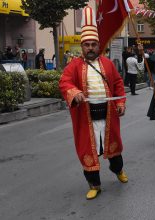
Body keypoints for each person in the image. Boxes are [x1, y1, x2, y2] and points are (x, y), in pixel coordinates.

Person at [59, 6, 128, 200]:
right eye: (87, 44)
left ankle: (118, 171)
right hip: (86, 117)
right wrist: (75, 92)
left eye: (93, 44)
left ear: (99, 45)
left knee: (114, 149)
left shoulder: (108, 64)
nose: (90, 48)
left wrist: (121, 102)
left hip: (108, 114)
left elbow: (118, 84)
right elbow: (64, 82)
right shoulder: (73, 65)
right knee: (88, 151)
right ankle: (94, 185)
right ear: (82, 47)